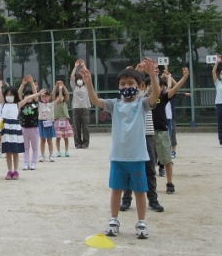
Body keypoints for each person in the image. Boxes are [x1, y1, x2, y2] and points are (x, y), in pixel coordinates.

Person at [81, 58, 160, 239]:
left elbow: (155, 95)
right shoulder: (115, 104)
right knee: (116, 190)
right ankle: (114, 220)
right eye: (123, 83)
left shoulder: (142, 104)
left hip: (138, 157)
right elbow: (96, 100)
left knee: (140, 192)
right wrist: (89, 84)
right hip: (118, 157)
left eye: (131, 83)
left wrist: (152, 76)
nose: (126, 86)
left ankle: (141, 222)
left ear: (140, 86)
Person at [120, 71, 164, 213]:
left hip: (146, 136)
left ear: (143, 86)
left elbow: (156, 91)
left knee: (150, 169)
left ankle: (153, 199)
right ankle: (126, 200)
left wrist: (153, 74)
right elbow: (127, 78)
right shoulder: (127, 98)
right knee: (128, 170)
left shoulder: (147, 99)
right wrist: (137, 70)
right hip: (132, 138)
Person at [0, 75, 42, 180]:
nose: (9, 96)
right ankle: (9, 171)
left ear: (15, 96)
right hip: (6, 129)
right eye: (7, 94)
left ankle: (16, 171)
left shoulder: (18, 104)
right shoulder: (3, 103)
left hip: (15, 129)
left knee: (15, 152)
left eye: (11, 95)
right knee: (8, 152)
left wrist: (38, 93)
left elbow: (29, 98)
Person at [154, 67, 190, 194]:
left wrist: (184, 77)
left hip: (162, 132)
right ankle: (150, 183)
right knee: (147, 162)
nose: (154, 87)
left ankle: (169, 182)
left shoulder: (163, 97)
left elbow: (175, 88)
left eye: (159, 85)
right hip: (147, 133)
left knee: (167, 159)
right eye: (151, 85)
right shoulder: (145, 99)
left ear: (163, 88)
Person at [19, 75, 39, 170]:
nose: (28, 97)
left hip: (34, 128)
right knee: (25, 148)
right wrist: (23, 85)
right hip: (24, 128)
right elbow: (19, 94)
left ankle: (34, 163)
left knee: (34, 148)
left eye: (29, 95)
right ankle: (26, 163)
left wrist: (31, 83)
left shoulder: (35, 103)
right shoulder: (22, 104)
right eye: (26, 95)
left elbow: (35, 94)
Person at [70, 59, 91, 149]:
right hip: (76, 108)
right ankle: (77, 143)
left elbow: (87, 76)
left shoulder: (86, 86)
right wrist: (75, 66)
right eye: (78, 79)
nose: (79, 80)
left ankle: (85, 143)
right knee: (76, 127)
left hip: (85, 108)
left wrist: (83, 66)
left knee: (85, 127)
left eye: (81, 79)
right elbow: (71, 77)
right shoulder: (74, 87)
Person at [53, 80, 73, 157]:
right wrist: (56, 86)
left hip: (65, 120)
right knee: (58, 137)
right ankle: (58, 151)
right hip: (58, 120)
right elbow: (53, 94)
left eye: (61, 96)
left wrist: (63, 86)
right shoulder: (55, 103)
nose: (60, 97)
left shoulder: (65, 102)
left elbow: (67, 93)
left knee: (66, 137)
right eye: (58, 96)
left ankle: (67, 151)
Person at [38, 89, 56, 163]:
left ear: (49, 97)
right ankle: (42, 155)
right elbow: (35, 98)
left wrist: (59, 89)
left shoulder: (52, 104)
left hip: (49, 122)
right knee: (42, 140)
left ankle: (51, 155)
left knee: (49, 140)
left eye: (46, 96)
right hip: (41, 122)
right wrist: (37, 90)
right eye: (42, 96)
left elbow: (59, 98)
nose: (44, 98)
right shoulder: (40, 104)